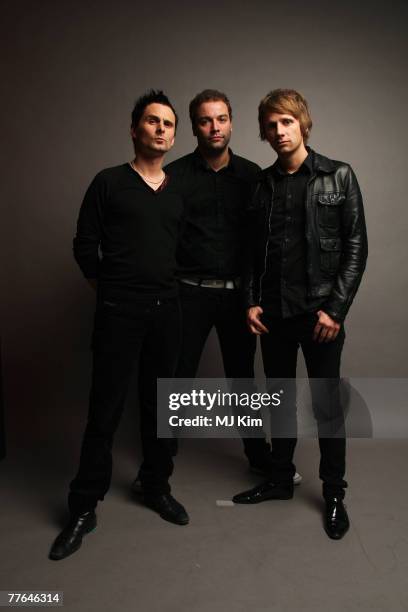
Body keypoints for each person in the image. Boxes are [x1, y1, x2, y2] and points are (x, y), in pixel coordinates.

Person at [132, 89, 301, 487]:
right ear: (193, 127)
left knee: (243, 379)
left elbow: (264, 241)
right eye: (206, 120)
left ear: (231, 122)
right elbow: (161, 238)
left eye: (221, 119)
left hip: (238, 297)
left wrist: (257, 296)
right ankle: (157, 468)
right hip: (187, 294)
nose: (214, 127)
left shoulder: (252, 177)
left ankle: (259, 457)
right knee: (176, 381)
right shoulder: (175, 177)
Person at [49, 90, 188, 562]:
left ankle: (157, 485)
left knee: (160, 407)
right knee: (104, 412)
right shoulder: (108, 182)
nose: (161, 129)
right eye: (152, 121)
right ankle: (83, 508)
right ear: (134, 129)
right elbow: (85, 246)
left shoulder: (178, 190)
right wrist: (111, 293)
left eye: (168, 123)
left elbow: (183, 253)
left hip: (166, 313)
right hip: (118, 311)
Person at [232, 89, 368, 539]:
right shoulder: (261, 186)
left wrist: (336, 309)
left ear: (302, 124)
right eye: (271, 125)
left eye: (286, 122)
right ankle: (279, 478)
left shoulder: (339, 176)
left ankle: (333, 493)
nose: (278, 132)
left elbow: (355, 247)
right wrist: (250, 300)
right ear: (264, 134)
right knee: (280, 401)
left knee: (328, 407)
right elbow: (249, 253)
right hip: (274, 314)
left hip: (320, 316)